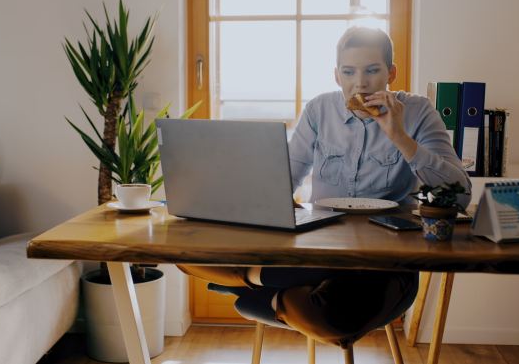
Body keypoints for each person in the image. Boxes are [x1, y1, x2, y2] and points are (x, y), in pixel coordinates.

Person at [177, 26, 471, 348]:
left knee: (335, 319)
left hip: (383, 262)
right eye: (349, 72)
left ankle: (256, 287)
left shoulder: (417, 112)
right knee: (182, 252)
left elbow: (459, 194)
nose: (360, 83)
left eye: (372, 71)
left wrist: (399, 136)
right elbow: (283, 179)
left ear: (391, 73)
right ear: (336, 75)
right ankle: (275, 288)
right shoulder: (320, 110)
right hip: (318, 249)